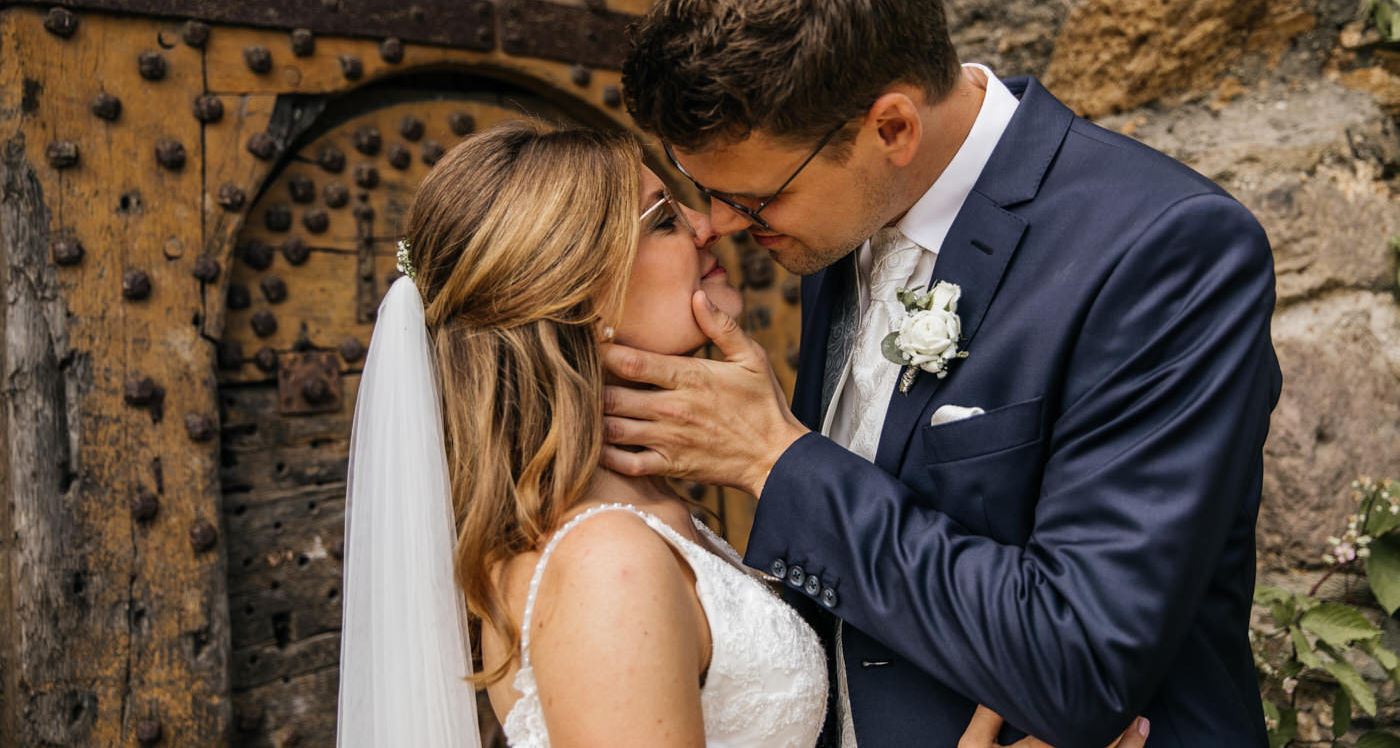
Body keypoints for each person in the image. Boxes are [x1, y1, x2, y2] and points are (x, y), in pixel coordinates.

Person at [605, 0, 1282, 748]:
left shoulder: (1166, 251)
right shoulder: (834, 231)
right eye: (705, 191)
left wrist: (775, 460)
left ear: (891, 127)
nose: (724, 225)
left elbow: (1081, 661)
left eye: (755, 195)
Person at [334, 117, 1149, 748]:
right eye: (660, 219)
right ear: (580, 295)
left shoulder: (649, 515)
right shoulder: (603, 566)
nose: (704, 226)